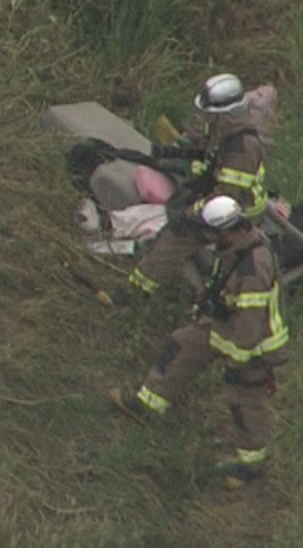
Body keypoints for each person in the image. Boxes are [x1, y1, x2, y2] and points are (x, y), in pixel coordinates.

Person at [109, 196, 290, 488]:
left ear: (228, 230)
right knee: (181, 344)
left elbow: (250, 321)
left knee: (243, 398)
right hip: (226, 326)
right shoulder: (235, 247)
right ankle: (147, 405)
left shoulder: (253, 267)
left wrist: (236, 362)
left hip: (253, 346)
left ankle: (251, 466)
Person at [125, 73, 271, 299]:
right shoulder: (224, 129)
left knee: (178, 234)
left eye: (210, 114)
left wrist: (191, 213)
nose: (205, 118)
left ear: (227, 113)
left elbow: (225, 199)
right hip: (219, 200)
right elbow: (207, 155)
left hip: (236, 215)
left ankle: (136, 293)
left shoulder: (242, 148)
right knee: (177, 220)